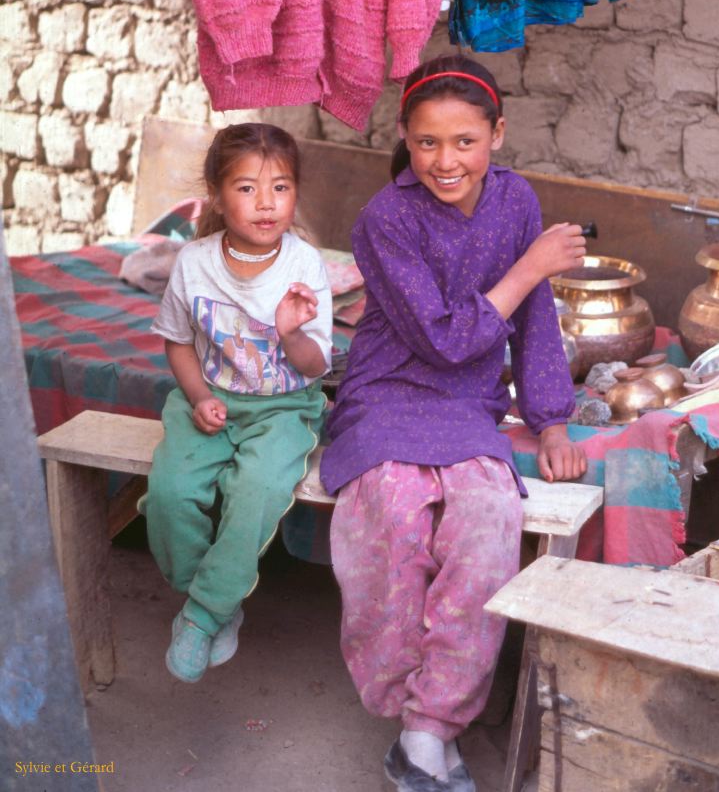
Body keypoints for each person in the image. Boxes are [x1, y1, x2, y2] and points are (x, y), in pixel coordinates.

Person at [320, 54, 588, 791]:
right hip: (385, 396)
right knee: (395, 521)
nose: (446, 160)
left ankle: (428, 730)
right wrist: (530, 266)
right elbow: (441, 338)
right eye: (428, 142)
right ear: (404, 137)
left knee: (486, 519)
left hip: (467, 406)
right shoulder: (384, 219)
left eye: (465, 141)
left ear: (497, 134)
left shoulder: (515, 201)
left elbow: (533, 322)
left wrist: (552, 419)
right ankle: (406, 706)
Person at [143, 123, 332, 683]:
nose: (267, 202)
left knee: (254, 494)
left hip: (284, 408)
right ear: (218, 197)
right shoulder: (194, 262)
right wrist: (199, 396)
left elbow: (317, 367)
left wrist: (291, 332)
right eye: (247, 188)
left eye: (280, 187)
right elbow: (177, 342)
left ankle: (203, 615)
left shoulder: (304, 266)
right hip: (210, 402)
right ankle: (219, 596)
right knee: (170, 493)